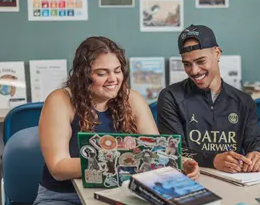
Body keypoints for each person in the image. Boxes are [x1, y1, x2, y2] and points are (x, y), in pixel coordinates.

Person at [34, 36, 199, 205]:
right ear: (82, 75)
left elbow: (156, 151)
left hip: (119, 193)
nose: (113, 79)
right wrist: (123, 161)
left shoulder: (132, 99)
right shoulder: (61, 100)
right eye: (102, 73)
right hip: (65, 197)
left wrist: (180, 163)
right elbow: (58, 168)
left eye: (117, 70)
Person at [157, 24, 260, 173]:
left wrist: (258, 153)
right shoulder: (170, 97)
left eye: (201, 61)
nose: (194, 71)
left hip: (235, 180)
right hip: (191, 179)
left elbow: (256, 140)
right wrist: (213, 160)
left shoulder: (244, 101)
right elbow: (173, 150)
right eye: (187, 64)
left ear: (217, 53)